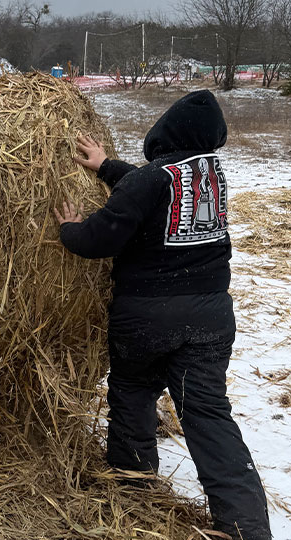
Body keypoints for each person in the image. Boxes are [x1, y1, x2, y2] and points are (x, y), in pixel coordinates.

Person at [53, 90, 271, 540]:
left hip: (148, 316)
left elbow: (102, 237)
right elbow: (153, 190)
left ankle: (133, 484)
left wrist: (70, 231)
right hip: (210, 317)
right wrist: (107, 166)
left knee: (133, 392)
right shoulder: (210, 173)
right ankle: (246, 526)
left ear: (165, 131)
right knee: (209, 416)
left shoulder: (152, 179)